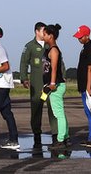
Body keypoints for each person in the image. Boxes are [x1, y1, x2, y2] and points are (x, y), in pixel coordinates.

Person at [20, 21, 56, 149]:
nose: (45, 33)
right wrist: (24, 78)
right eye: (43, 31)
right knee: (36, 109)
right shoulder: (29, 46)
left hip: (49, 82)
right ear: (37, 31)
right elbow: (24, 63)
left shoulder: (49, 45)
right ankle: (36, 134)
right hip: (36, 83)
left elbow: (58, 61)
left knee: (53, 109)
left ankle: (55, 134)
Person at [73, 25, 91, 147]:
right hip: (84, 86)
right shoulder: (84, 48)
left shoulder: (90, 49)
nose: (79, 39)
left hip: (90, 87)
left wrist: (89, 86)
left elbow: (90, 68)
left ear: (87, 36)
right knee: (88, 112)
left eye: (81, 37)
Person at [41, 24, 68, 149]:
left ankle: (60, 140)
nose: (43, 36)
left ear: (51, 36)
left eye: (45, 34)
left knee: (59, 114)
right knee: (60, 113)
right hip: (52, 85)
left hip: (56, 85)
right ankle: (65, 137)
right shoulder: (49, 49)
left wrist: (52, 84)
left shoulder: (54, 50)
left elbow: (54, 69)